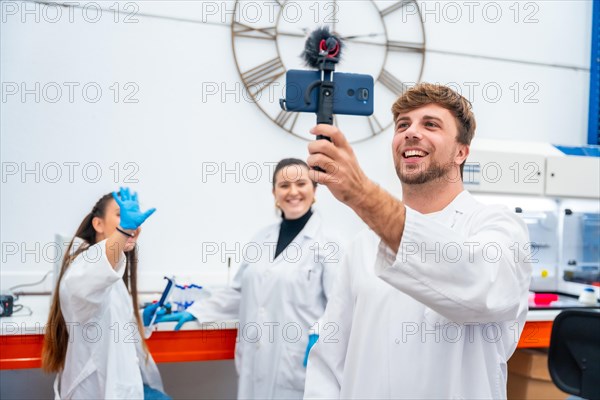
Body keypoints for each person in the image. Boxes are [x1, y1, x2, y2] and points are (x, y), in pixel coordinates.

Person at [303, 83, 532, 399]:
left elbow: (481, 286)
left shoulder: (497, 227)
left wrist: (361, 195)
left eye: (431, 124)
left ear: (461, 152)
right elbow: (328, 362)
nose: (411, 133)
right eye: (402, 125)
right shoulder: (362, 246)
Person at [164, 158, 341, 399]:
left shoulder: (328, 244)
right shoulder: (262, 238)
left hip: (297, 362)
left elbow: (340, 304)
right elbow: (238, 293)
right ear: (274, 193)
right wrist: (197, 311)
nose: (293, 192)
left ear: (314, 190)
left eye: (301, 183)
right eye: (284, 185)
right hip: (255, 362)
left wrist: (321, 332)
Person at [42, 188, 170, 400]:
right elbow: (93, 277)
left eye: (135, 219)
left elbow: (108, 322)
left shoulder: (112, 276)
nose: (134, 225)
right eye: (121, 215)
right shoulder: (85, 267)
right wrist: (124, 231)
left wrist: (139, 322)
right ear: (98, 224)